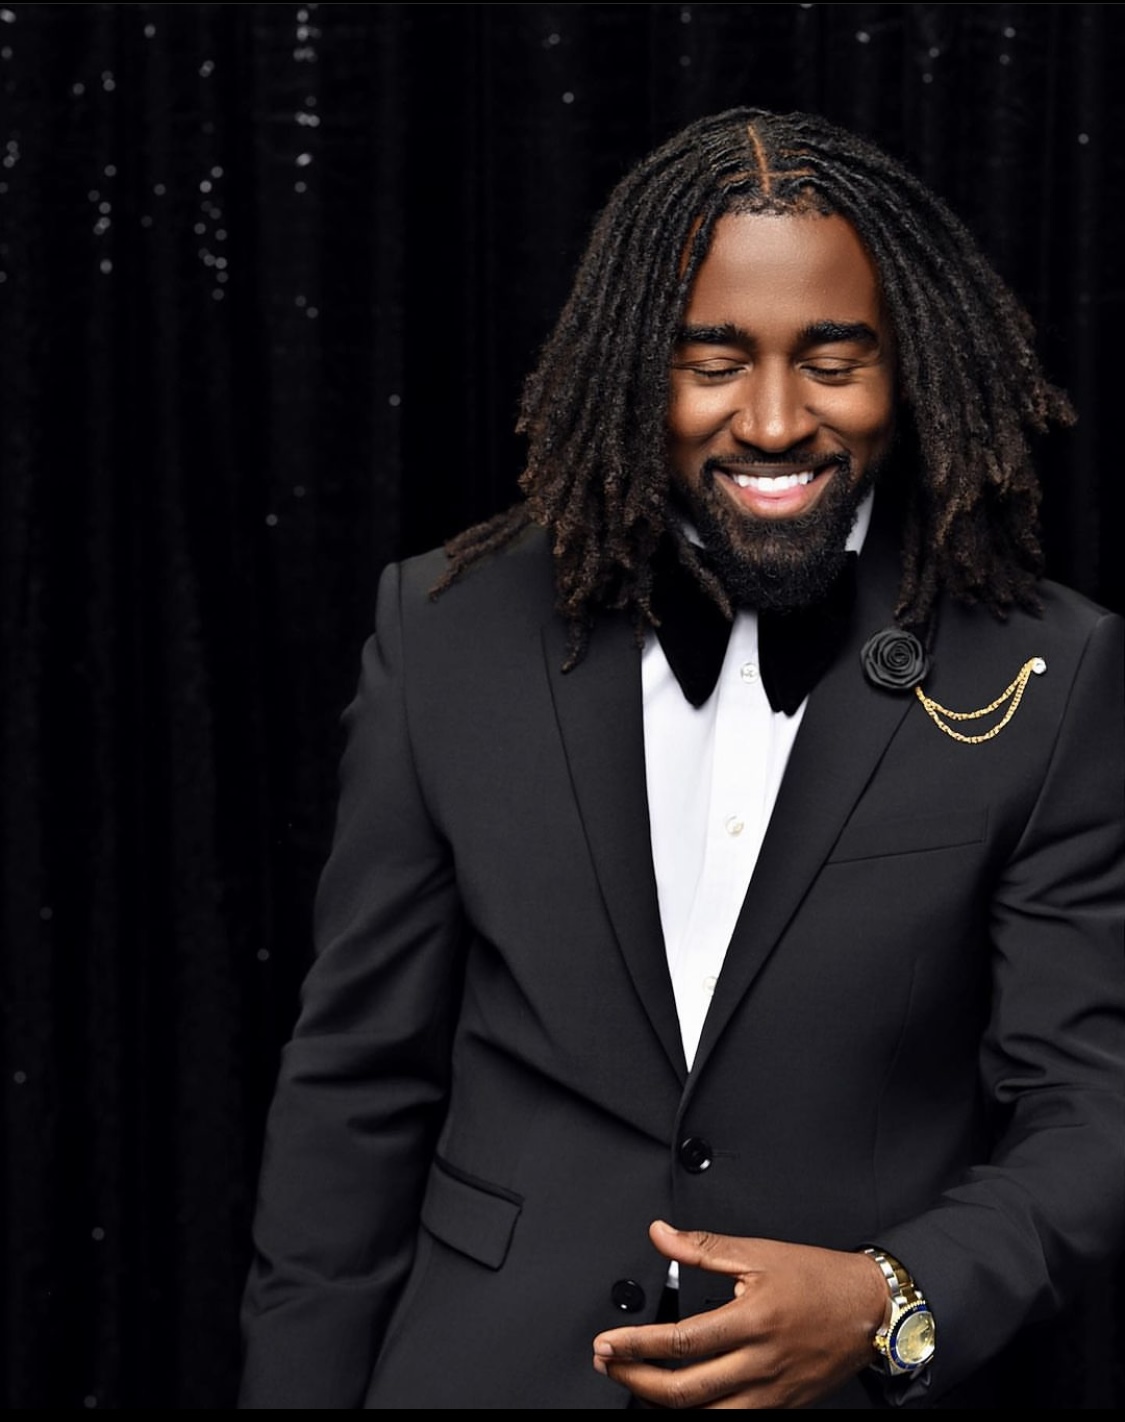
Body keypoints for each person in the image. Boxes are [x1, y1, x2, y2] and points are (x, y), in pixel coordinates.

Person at [238, 109, 1125, 1410]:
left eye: (832, 359)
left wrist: (893, 1296)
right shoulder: (441, 632)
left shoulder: (1046, 670)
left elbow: (1094, 1108)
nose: (771, 420)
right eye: (711, 359)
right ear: (626, 370)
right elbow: (351, 1098)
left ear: (910, 366)